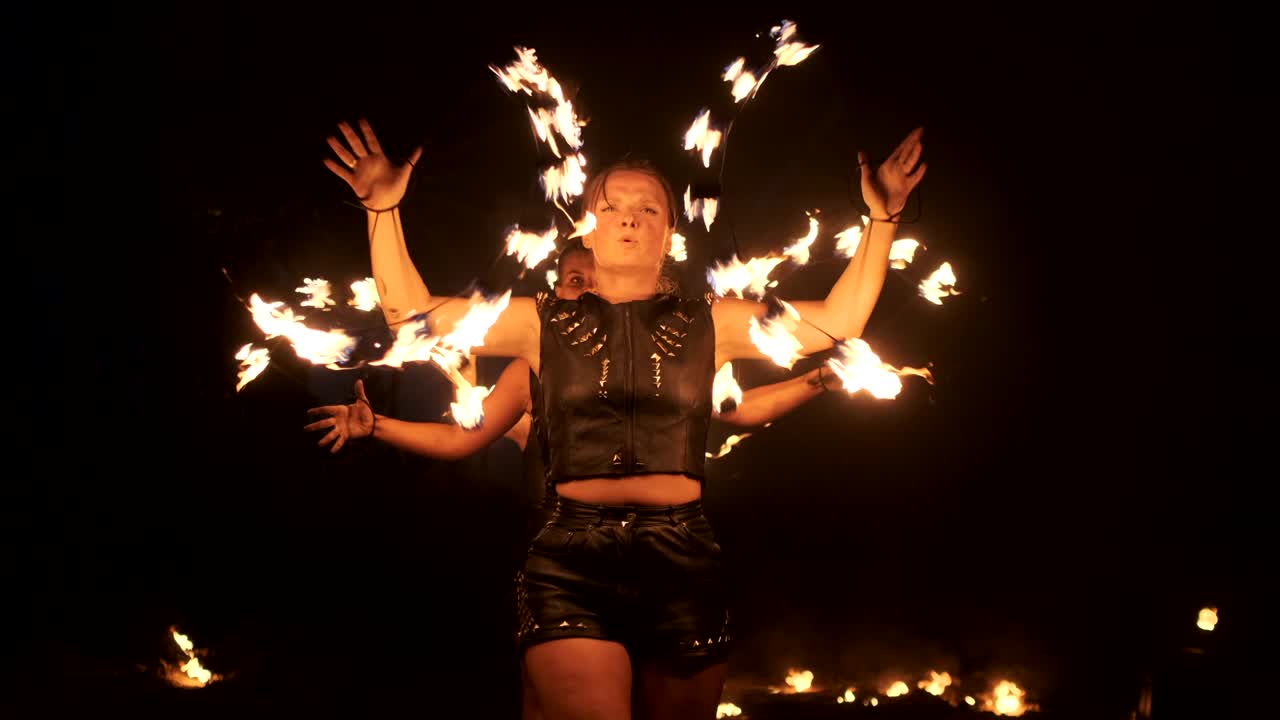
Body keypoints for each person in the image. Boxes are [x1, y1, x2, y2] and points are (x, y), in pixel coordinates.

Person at [311, 118, 924, 719]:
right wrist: (382, 210)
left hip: (683, 558)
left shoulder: (715, 321)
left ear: (670, 233)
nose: (630, 216)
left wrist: (883, 219)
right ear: (590, 225)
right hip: (570, 559)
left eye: (649, 209)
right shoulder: (536, 320)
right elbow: (408, 315)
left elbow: (839, 322)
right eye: (614, 206)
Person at [307, 236, 840, 719]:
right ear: (555, 291)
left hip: (670, 563)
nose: (585, 289)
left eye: (595, 279)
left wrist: (816, 379)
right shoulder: (535, 369)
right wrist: (378, 426)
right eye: (572, 280)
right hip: (564, 569)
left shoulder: (664, 364)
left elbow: (739, 407)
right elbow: (458, 437)